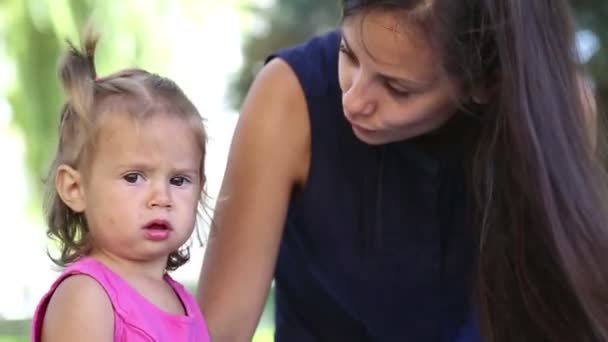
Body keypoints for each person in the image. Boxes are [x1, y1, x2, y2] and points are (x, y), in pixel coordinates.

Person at [199, 0, 608, 341]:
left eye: (397, 88)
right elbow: (220, 330)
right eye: (349, 53)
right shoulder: (288, 96)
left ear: (483, 85)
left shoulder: (554, 115)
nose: (353, 101)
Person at [32, 29, 210, 342]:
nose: (161, 198)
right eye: (134, 177)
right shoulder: (87, 296)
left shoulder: (182, 300)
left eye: (179, 180)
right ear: (75, 189)